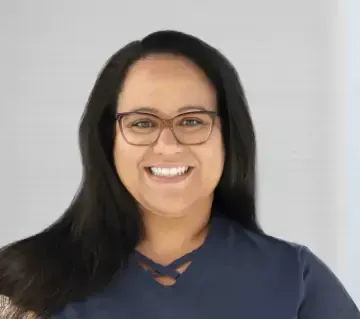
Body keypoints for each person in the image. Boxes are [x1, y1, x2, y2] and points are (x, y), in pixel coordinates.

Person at [0, 30, 358, 319]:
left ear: (229, 137)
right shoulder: (22, 284)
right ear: (106, 140)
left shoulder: (294, 280)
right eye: (142, 122)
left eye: (191, 121)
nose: (168, 145)